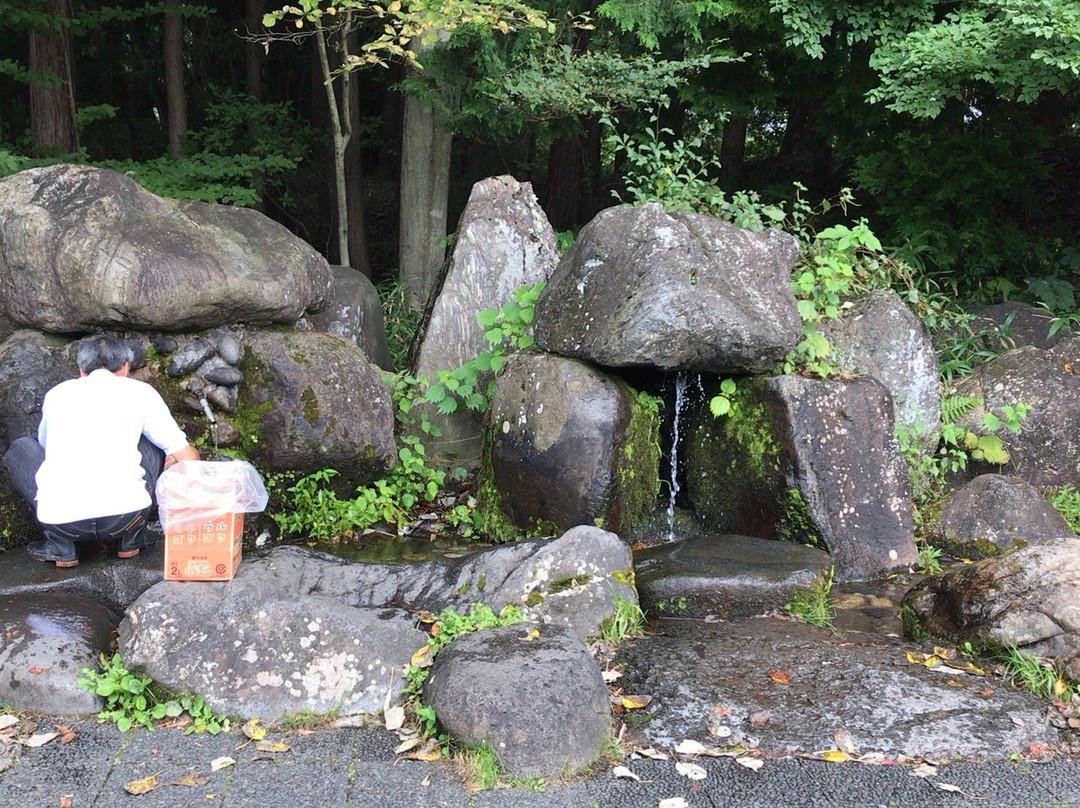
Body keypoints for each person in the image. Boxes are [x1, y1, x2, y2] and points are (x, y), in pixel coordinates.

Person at [3, 334, 199, 567]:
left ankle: (61, 547)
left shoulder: (57, 394)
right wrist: (171, 460)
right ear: (125, 367)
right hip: (126, 518)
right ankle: (130, 540)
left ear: (81, 370)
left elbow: (45, 449)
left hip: (62, 523)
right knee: (154, 442)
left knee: (21, 448)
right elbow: (188, 458)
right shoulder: (141, 392)